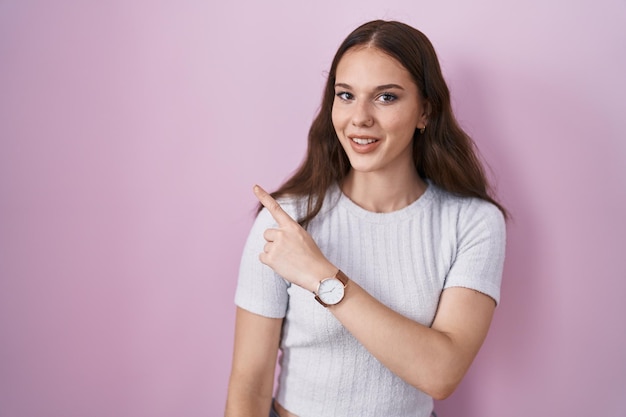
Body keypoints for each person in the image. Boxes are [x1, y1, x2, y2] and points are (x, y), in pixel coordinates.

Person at [225, 19, 507, 417]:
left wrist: (322, 277)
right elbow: (248, 389)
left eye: (386, 97)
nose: (359, 118)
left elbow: (442, 373)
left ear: (425, 111)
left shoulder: (473, 223)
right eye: (346, 95)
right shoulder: (285, 223)